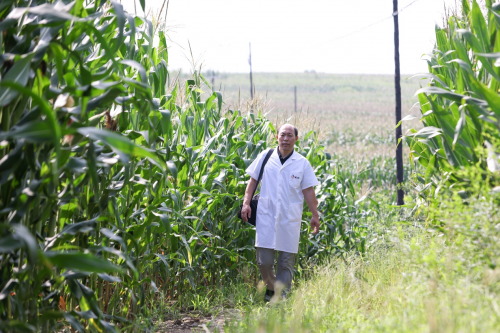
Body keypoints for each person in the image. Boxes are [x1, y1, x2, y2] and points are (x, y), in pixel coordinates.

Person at [241, 124, 320, 301]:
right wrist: (246, 204)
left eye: (290, 135)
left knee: (285, 262)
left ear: (296, 139)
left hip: (289, 218)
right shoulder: (265, 157)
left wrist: (315, 215)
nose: (286, 139)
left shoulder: (302, 163)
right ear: (276, 137)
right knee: (264, 261)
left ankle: (281, 297)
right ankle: (272, 289)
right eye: (282, 135)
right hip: (266, 215)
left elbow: (308, 191)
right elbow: (253, 181)